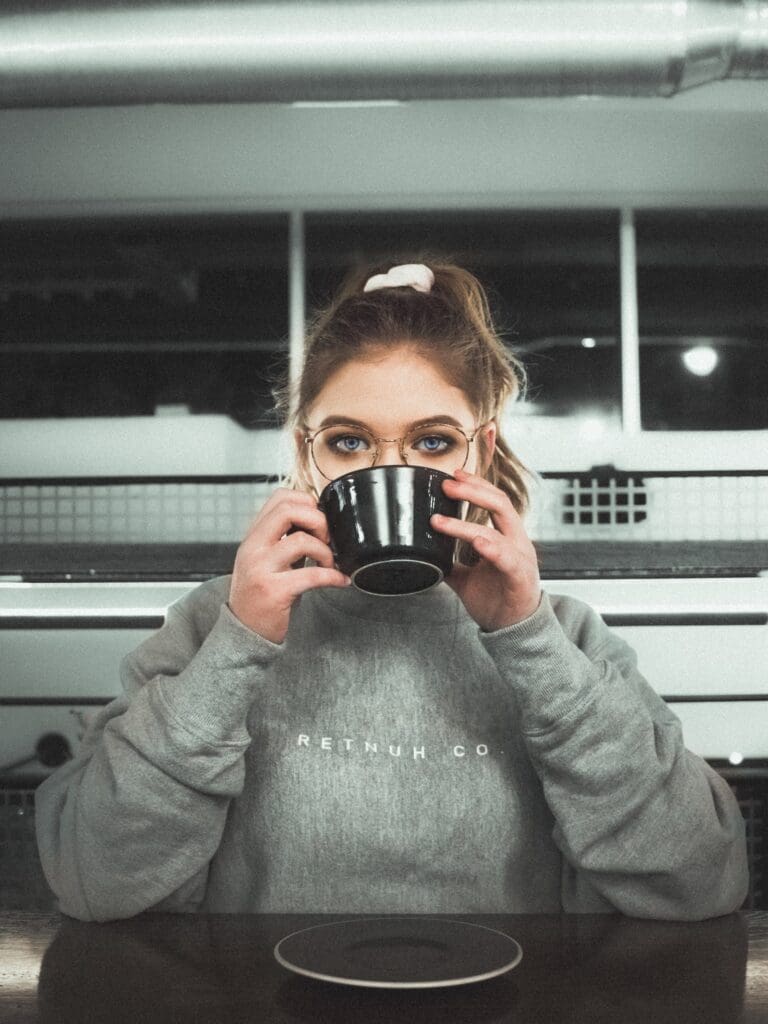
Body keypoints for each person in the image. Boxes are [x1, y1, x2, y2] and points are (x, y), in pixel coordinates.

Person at [35, 260, 748, 923]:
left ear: (483, 450)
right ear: (303, 452)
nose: (390, 471)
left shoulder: (562, 635)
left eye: (433, 442)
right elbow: (94, 879)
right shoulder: (214, 623)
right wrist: (238, 645)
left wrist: (529, 640)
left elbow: (699, 881)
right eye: (348, 442)